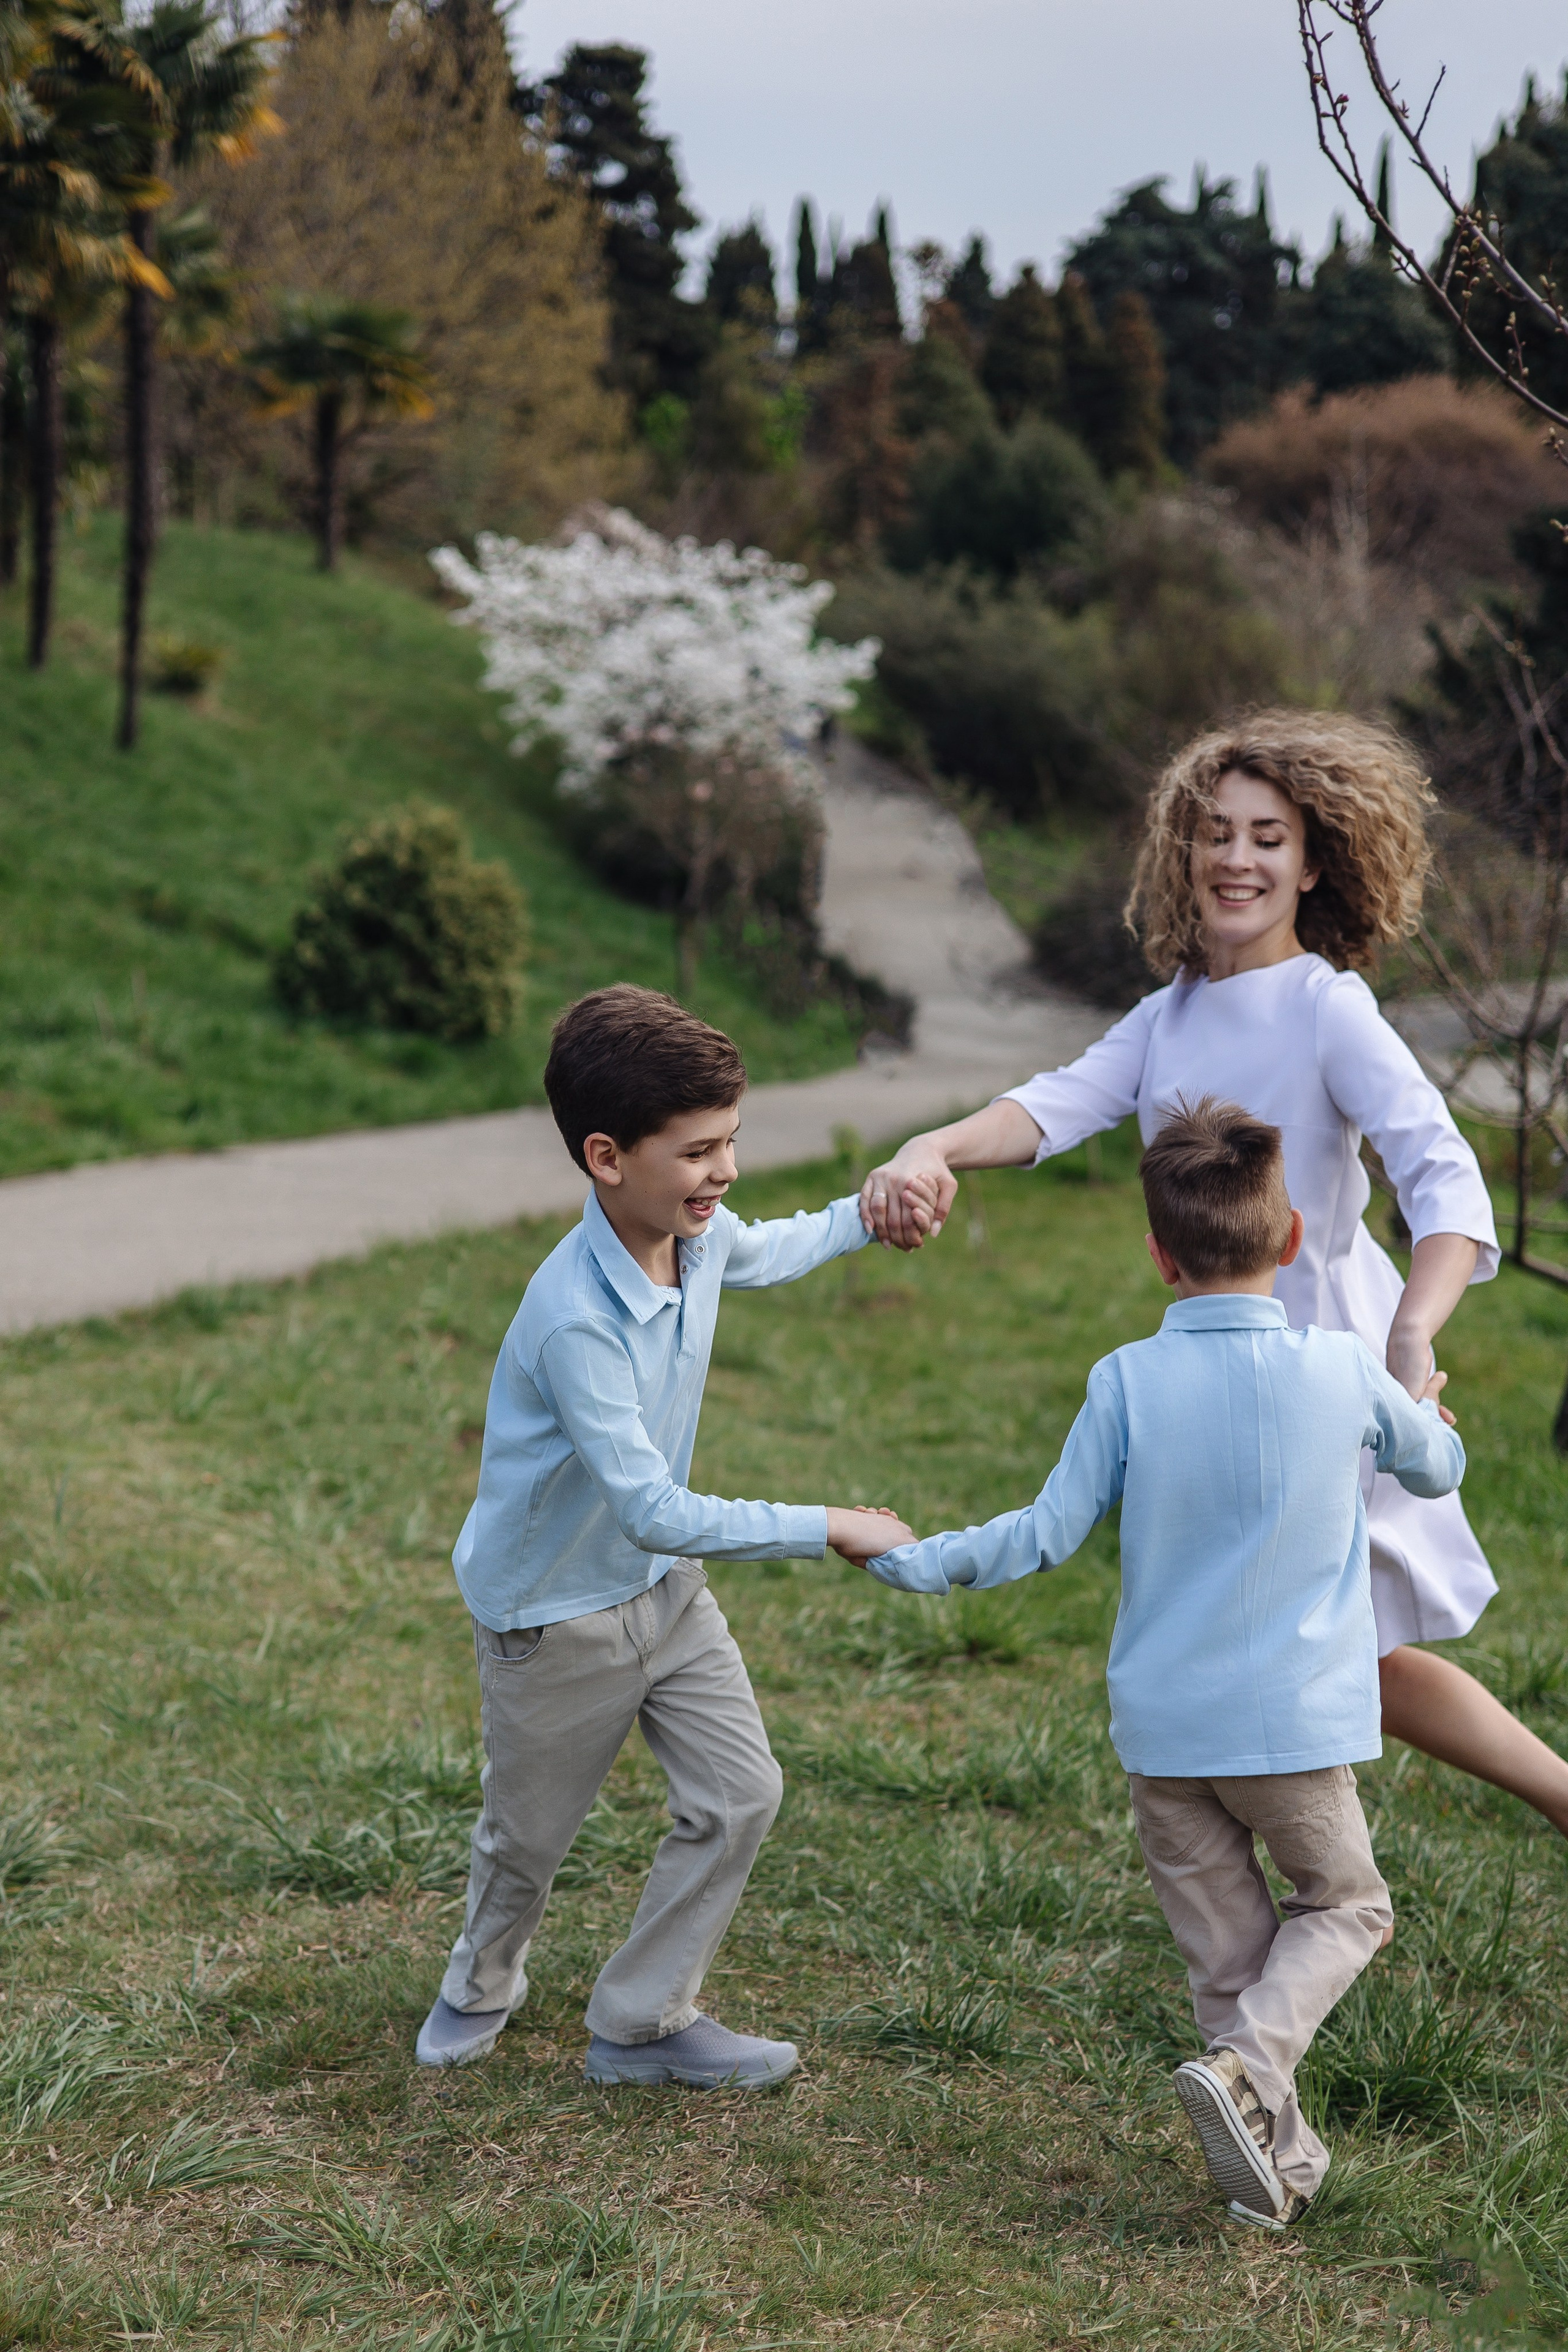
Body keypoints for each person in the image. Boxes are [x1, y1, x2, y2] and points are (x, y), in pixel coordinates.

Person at [864, 710, 1568, 1838]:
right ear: (1182, 855)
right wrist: (933, 1147)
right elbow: (1052, 1105)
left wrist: (1413, 1337)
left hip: (1328, 1362)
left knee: (1351, 1647)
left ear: (1313, 863)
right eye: (1216, 834)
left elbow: (1447, 1184)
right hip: (1213, 1361)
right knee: (1305, 1639)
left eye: (1268, 838)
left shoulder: (1332, 1010)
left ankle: (1336, 1870)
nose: (1237, 859)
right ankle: (1268, 1857)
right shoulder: (1167, 1016)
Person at [865, 1096, 1464, 2226]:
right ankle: (1249, 2078)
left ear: (1158, 1253)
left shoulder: (1124, 1381)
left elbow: (1041, 1534)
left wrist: (916, 1558)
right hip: (1291, 1733)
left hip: (1166, 1740)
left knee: (1232, 1970)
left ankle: (1275, 2180)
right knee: (1347, 1908)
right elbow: (1436, 1470)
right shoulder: (1343, 1369)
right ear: (1291, 1243)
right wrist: (1424, 1404)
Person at [417, 985, 912, 2087]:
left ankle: (640, 2023)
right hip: (554, 1621)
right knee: (526, 1845)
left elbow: (772, 1247)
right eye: (697, 1152)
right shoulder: (574, 1320)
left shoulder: (695, 1239)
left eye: (731, 1141)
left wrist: (871, 1214)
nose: (725, 1171)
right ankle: (480, 1981)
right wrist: (826, 1524)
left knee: (742, 1795)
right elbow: (651, 1504)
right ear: (607, 1158)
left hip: (665, 1593)